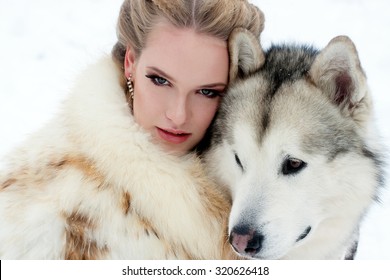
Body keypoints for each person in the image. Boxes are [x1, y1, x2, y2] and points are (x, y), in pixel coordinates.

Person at [0, 0, 264, 259]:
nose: (178, 115)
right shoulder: (43, 218)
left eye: (207, 91)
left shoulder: (260, 187)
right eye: (160, 80)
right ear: (130, 63)